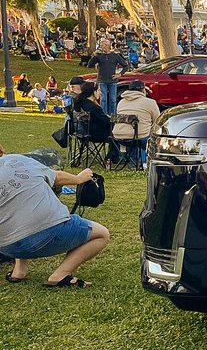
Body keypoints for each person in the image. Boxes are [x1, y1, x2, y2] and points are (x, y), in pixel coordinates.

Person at [0, 140, 110, 288]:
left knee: (16, 210)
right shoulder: (18, 160)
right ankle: (60, 275)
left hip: (6, 247)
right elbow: (56, 177)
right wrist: (79, 178)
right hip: (47, 235)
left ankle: (19, 272)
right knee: (102, 234)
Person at [111, 79, 159, 165]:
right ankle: (142, 161)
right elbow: (157, 120)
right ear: (143, 90)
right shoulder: (150, 102)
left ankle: (132, 161)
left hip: (118, 136)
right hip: (139, 137)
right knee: (147, 134)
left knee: (133, 131)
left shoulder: (121, 102)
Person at [90, 38, 125, 115]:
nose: (102, 47)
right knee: (103, 99)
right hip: (102, 80)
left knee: (113, 99)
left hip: (112, 80)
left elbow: (125, 65)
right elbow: (90, 65)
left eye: (104, 45)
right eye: (101, 46)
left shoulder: (115, 56)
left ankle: (112, 115)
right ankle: (104, 115)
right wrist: (94, 56)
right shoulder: (99, 56)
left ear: (108, 46)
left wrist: (120, 74)